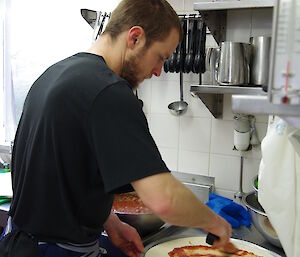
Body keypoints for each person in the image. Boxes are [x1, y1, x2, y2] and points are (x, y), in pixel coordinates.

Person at [0, 0, 232, 256]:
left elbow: (63, 179)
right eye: (160, 57)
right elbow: (164, 199)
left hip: (18, 242)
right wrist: (216, 223)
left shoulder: (55, 75)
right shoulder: (110, 92)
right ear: (135, 37)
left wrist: (111, 222)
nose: (158, 71)